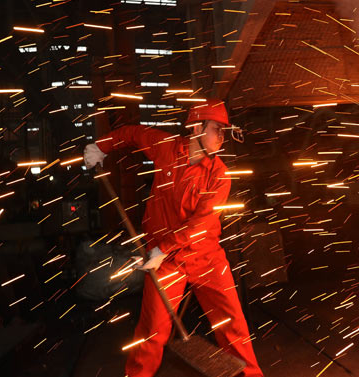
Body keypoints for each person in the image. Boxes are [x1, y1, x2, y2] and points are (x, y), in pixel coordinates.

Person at [83, 99, 263, 377]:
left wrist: (162, 249)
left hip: (205, 256)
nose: (221, 137)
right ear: (195, 127)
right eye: (217, 128)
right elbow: (132, 133)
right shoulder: (166, 147)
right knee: (151, 332)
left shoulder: (220, 175)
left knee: (233, 327)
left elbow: (201, 223)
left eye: (224, 131)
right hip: (165, 262)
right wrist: (101, 146)